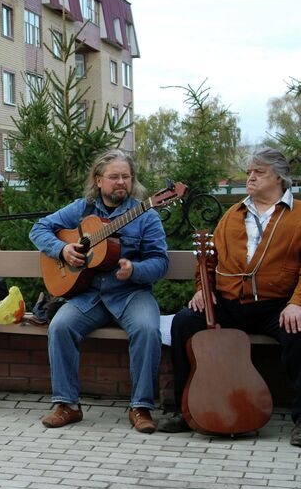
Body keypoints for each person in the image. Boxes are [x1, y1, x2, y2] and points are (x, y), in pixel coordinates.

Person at [158, 148, 301, 446]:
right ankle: (187, 411)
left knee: (299, 332)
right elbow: (208, 262)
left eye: (258, 172)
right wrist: (202, 290)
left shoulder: (298, 216)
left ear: (279, 178)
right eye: (249, 171)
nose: (250, 177)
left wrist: (297, 303)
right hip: (229, 303)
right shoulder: (232, 216)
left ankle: (300, 420)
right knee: (184, 323)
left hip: (277, 305)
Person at [30, 149, 168, 433]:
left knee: (147, 330)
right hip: (90, 293)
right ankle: (67, 405)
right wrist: (63, 249)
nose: (121, 182)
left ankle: (141, 407)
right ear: (98, 180)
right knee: (60, 327)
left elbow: (160, 261)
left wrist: (136, 270)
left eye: (126, 177)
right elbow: (39, 229)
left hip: (131, 293)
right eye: (114, 176)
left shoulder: (146, 215)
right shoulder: (82, 209)